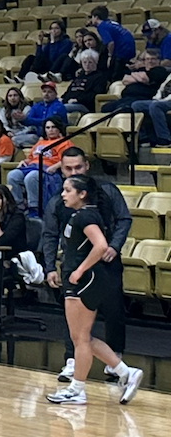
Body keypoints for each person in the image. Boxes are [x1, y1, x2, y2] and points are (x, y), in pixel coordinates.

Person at [46, 175, 143, 407]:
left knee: (80, 338)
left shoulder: (87, 215)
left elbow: (101, 246)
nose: (63, 194)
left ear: (82, 194)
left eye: (68, 190)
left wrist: (79, 271)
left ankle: (77, 389)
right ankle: (125, 372)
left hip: (84, 281)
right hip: (82, 280)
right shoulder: (79, 215)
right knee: (83, 337)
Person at [40, 149, 130, 381]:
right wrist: (50, 266)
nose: (73, 172)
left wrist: (114, 246)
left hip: (102, 265)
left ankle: (117, 363)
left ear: (87, 166)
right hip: (74, 266)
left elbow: (122, 220)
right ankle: (74, 363)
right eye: (68, 169)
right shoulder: (58, 201)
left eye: (77, 168)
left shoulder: (104, 194)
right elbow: (50, 234)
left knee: (113, 311)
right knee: (75, 324)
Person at [8, 119, 71, 215]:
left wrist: (55, 166)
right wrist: (24, 161)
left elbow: (67, 159)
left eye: (53, 127)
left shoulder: (64, 143)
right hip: (32, 166)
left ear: (59, 129)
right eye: (48, 127)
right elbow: (31, 157)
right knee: (12, 175)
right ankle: (19, 205)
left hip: (47, 169)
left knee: (31, 177)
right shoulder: (40, 143)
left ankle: (34, 208)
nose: (51, 130)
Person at [88, 6, 135, 76]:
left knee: (113, 73)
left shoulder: (101, 27)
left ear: (96, 17)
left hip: (121, 51)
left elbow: (110, 43)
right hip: (130, 47)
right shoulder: (111, 22)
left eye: (92, 17)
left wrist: (110, 56)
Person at [131, 65, 171, 145]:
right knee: (136, 105)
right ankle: (143, 137)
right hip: (161, 100)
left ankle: (164, 138)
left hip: (168, 100)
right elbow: (162, 88)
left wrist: (159, 101)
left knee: (155, 106)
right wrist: (156, 98)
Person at [61, 50, 109, 115]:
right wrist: (64, 99)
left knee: (60, 109)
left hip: (85, 106)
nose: (87, 65)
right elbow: (69, 91)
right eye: (85, 62)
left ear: (95, 63)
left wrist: (78, 100)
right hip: (70, 103)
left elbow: (94, 95)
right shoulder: (79, 76)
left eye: (90, 62)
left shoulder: (100, 77)